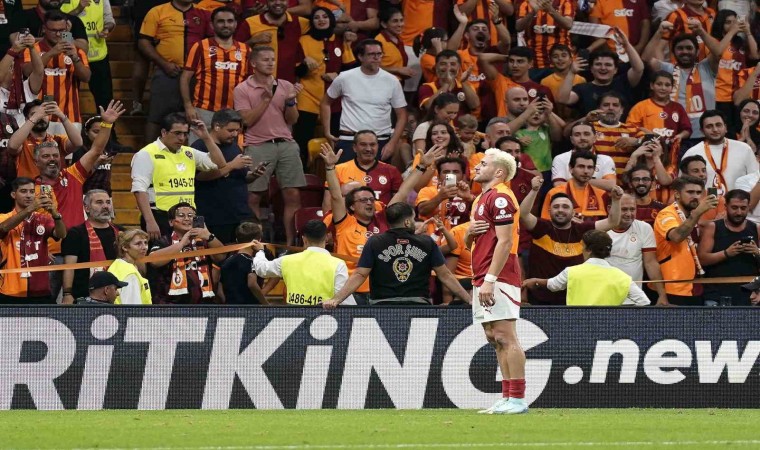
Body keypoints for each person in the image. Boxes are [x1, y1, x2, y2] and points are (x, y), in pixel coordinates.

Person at [320, 141, 444, 305]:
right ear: (351, 206)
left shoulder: (384, 218)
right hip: (350, 293)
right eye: (363, 200)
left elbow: (403, 192)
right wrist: (330, 168)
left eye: (371, 199)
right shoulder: (344, 222)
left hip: (378, 294)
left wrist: (421, 167)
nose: (369, 203)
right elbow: (336, 196)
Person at [464, 149, 526, 415]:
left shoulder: (501, 197)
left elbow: (505, 241)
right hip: (482, 273)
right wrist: (468, 233)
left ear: (499, 171)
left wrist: (490, 280)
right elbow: (471, 243)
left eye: (484, 163)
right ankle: (507, 397)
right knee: (493, 337)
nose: (477, 166)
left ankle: (518, 399)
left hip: (499, 274)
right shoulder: (481, 198)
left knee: (505, 335)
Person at [322, 202, 471, 307]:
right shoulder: (426, 242)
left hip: (382, 305)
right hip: (418, 304)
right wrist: (469, 300)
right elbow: (445, 275)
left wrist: (336, 299)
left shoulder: (375, 242)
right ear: (407, 222)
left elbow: (359, 275)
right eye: (413, 219)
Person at [233, 45, 304, 246]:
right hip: (258, 145)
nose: (271, 63)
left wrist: (290, 103)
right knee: (253, 196)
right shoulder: (242, 89)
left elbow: (293, 119)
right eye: (265, 59)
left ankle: (290, 245)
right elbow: (246, 120)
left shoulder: (286, 86)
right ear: (253, 63)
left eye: (273, 59)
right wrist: (265, 100)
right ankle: (256, 244)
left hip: (286, 144)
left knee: (293, 194)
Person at [521, 175, 623, 305]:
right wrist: (534, 190)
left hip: (574, 299)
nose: (560, 210)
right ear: (549, 211)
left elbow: (612, 222)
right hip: (541, 299)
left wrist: (616, 200)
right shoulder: (541, 228)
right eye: (556, 207)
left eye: (565, 207)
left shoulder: (582, 230)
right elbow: (523, 214)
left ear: (573, 213)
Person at [131, 112, 227, 241]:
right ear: (164, 132)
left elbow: (220, 164)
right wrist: (150, 221)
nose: (182, 138)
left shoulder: (188, 152)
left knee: (194, 252)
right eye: (177, 133)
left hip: (189, 216)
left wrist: (206, 138)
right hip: (161, 216)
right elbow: (139, 190)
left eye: (185, 134)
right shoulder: (146, 154)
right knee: (163, 253)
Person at [320, 39, 408, 163]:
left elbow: (402, 115)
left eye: (379, 54)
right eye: (372, 54)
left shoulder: (392, 81)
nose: (376, 58)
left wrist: (393, 143)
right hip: (350, 140)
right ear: (360, 57)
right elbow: (325, 103)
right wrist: (327, 132)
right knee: (345, 176)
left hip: (380, 141)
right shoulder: (344, 78)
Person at [138, 0, 212, 143]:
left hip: (196, 75)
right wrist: (163, 63)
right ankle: (148, 152)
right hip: (166, 72)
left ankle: (190, 153)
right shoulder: (157, 11)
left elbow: (211, 42)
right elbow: (143, 42)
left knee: (193, 118)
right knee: (157, 116)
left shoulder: (203, 14)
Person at [292, 7, 356, 166]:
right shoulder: (303, 40)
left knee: (336, 141)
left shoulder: (340, 40)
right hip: (308, 97)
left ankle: (336, 172)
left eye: (324, 17)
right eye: (316, 17)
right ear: (312, 22)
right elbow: (297, 71)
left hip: (334, 100)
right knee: (302, 140)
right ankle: (303, 172)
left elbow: (351, 69)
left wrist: (338, 75)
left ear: (331, 20)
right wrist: (305, 64)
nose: (321, 20)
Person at [524, 229, 650, 306]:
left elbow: (553, 285)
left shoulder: (572, 272)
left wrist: (535, 281)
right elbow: (644, 302)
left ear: (588, 250)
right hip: (608, 332)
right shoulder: (623, 278)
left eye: (583, 246)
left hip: (577, 329)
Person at [643, 25, 720, 149]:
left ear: (697, 51)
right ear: (673, 52)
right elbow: (646, 59)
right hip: (675, 134)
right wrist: (659, 33)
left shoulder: (707, 67)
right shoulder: (666, 69)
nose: (685, 51)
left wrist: (701, 31)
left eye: (689, 48)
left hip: (705, 133)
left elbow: (718, 53)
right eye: (680, 48)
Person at [192, 109, 262, 244]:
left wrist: (254, 175)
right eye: (231, 130)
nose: (235, 134)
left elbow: (243, 176)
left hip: (239, 212)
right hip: (216, 215)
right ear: (217, 126)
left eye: (237, 130)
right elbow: (199, 177)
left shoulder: (234, 146)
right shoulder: (199, 147)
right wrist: (231, 165)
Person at [181, 6, 250, 138]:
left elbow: (250, 83)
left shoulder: (246, 50)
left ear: (236, 24)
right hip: (204, 111)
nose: (226, 25)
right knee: (199, 150)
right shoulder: (200, 46)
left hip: (234, 113)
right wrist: (188, 106)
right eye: (221, 21)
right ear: (212, 25)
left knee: (230, 151)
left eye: (230, 21)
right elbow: (185, 78)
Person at [20, 10, 90, 134]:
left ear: (67, 29)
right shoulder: (32, 49)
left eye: (61, 30)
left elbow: (86, 77)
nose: (58, 34)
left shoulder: (76, 50)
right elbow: (27, 71)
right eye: (53, 30)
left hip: (69, 116)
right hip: (38, 115)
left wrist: (74, 58)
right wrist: (51, 53)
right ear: (44, 29)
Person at [253, 220, 353, 305]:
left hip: (294, 317)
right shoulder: (338, 264)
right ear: (327, 237)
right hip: (324, 318)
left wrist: (260, 251)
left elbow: (261, 269)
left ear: (304, 239)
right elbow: (345, 301)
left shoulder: (287, 260)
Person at [654, 176, 719, 305]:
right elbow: (676, 237)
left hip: (694, 286)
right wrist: (698, 213)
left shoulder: (692, 215)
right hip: (673, 286)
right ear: (677, 194)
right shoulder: (666, 214)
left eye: (698, 192)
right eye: (690, 192)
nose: (695, 196)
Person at [0, 177, 66, 304]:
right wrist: (30, 208)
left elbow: (61, 234)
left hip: (40, 290)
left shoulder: (43, 219)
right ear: (13, 195)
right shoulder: (4, 217)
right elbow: (3, 228)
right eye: (23, 191)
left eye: (31, 191)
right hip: (11, 290)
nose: (29, 195)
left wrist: (55, 215)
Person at [146, 202, 226, 304]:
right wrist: (181, 244)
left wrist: (209, 236)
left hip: (203, 304)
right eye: (181, 215)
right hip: (170, 304)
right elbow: (154, 261)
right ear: (171, 222)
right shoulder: (164, 241)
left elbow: (221, 257)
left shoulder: (205, 240)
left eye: (190, 215)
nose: (187, 219)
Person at [698, 189, 760, 306]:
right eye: (734, 208)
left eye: (743, 208)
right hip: (716, 293)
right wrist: (726, 253)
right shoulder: (712, 227)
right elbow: (701, 259)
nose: (739, 212)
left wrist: (757, 252)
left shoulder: (756, 229)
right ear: (726, 206)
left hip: (748, 295)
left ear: (748, 207)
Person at [607, 194, 669, 306]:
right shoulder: (600, 230)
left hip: (634, 300)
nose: (629, 214)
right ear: (610, 209)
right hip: (606, 299)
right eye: (624, 209)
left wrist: (662, 294)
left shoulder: (644, 228)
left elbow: (650, 263)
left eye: (632, 209)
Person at [61, 189, 121, 304]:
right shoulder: (76, 233)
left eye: (108, 202)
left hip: (118, 295)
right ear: (87, 208)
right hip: (84, 297)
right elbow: (69, 266)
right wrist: (67, 294)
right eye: (99, 202)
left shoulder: (120, 232)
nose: (105, 206)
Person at [322, 130, 403, 212]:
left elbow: (399, 205)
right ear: (354, 147)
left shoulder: (392, 171)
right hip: (347, 219)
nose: (368, 149)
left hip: (382, 218)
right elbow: (328, 206)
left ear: (378, 146)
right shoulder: (338, 170)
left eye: (372, 144)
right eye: (363, 144)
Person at [681, 110, 759, 194]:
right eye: (709, 126)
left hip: (739, 201)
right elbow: (683, 186)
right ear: (702, 131)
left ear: (725, 128)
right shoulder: (692, 153)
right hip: (704, 202)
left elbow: (756, 180)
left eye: (718, 125)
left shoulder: (744, 149)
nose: (715, 129)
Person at [558, 45, 645, 118]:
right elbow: (563, 99)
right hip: (591, 131)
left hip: (622, 131)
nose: (603, 68)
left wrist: (626, 44)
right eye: (598, 64)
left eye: (608, 65)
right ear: (591, 69)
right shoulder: (582, 89)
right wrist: (571, 72)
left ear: (615, 70)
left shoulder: (624, 82)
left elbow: (639, 69)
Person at [234, 0, 309, 83]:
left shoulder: (300, 23)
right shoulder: (250, 23)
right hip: (257, 84)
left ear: (288, 2)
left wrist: (308, 57)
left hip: (287, 84)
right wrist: (252, 41)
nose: (278, 2)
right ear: (267, 1)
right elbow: (235, 51)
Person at [60, 0, 116, 110]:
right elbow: (57, 22)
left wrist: (106, 28)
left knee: (104, 98)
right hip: (69, 54)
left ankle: (106, 121)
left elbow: (109, 19)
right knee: (64, 94)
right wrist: (78, 9)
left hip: (97, 55)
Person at [7, 99, 81, 179]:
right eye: (34, 114)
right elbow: (12, 146)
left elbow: (78, 143)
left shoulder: (57, 139)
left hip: (54, 186)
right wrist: (36, 117)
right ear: (26, 119)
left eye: (44, 114)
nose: (41, 117)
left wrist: (62, 116)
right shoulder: (22, 141)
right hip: (29, 186)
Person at [626, 71, 692, 157]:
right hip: (646, 152)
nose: (663, 88)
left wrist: (680, 136)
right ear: (652, 85)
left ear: (672, 88)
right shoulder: (640, 106)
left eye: (667, 85)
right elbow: (630, 127)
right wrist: (647, 135)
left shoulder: (678, 108)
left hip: (671, 153)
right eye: (659, 84)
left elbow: (687, 129)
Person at [543, 151, 610, 222]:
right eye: (581, 167)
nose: (586, 171)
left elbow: (607, 225)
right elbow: (545, 224)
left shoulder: (601, 195)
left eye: (590, 167)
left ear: (594, 170)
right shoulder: (554, 193)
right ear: (571, 168)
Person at [416, 157, 472, 240]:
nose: (451, 175)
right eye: (446, 172)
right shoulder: (427, 191)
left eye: (456, 172)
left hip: (459, 242)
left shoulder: (467, 193)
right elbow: (422, 211)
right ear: (438, 176)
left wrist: (469, 199)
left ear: (463, 176)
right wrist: (440, 197)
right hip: (431, 242)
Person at [551, 122, 617, 190]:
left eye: (586, 134)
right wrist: (598, 183)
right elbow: (558, 185)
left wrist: (574, 181)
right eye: (577, 135)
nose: (582, 138)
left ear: (595, 137)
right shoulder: (560, 158)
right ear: (572, 140)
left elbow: (610, 185)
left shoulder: (606, 160)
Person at [515, 0, 574, 71]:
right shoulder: (526, 3)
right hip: (535, 60)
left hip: (560, 60)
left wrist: (550, 10)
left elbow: (568, 25)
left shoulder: (565, 2)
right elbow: (518, 27)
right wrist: (533, 12)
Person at [217, 221, 267, 305]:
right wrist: (265, 303)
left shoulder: (226, 261)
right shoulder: (253, 262)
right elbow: (252, 283)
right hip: (250, 308)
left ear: (237, 240)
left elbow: (219, 289)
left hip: (230, 308)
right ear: (258, 241)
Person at [418, 50, 479, 116]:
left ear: (459, 67)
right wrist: (447, 83)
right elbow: (429, 107)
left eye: (453, 64)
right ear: (436, 67)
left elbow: (475, 105)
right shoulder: (427, 87)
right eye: (443, 64)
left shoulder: (465, 86)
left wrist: (463, 82)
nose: (448, 68)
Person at [10, 0, 89, 51]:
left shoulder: (73, 20)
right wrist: (53, 39)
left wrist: (66, 36)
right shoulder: (22, 17)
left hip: (64, 70)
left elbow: (84, 48)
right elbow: (15, 41)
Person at [107, 229, 151, 305]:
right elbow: (132, 308)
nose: (144, 247)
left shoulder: (116, 265)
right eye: (138, 244)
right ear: (125, 247)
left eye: (145, 243)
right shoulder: (130, 274)